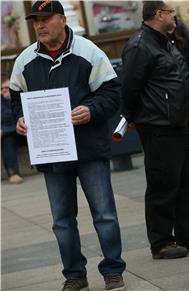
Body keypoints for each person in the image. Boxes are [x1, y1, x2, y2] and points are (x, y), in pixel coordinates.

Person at [10, 1, 126, 290]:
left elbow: (112, 93)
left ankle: (113, 271)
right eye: (35, 20)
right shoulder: (24, 60)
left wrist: (91, 110)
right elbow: (15, 99)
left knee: (105, 214)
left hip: (88, 149)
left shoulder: (88, 51)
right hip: (52, 153)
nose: (39, 25)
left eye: (45, 19)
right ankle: (75, 275)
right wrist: (20, 119)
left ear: (63, 20)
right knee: (62, 221)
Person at [120, 1, 189, 260]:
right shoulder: (139, 45)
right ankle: (162, 241)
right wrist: (130, 116)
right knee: (163, 185)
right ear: (158, 15)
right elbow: (130, 87)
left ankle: (188, 235)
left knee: (187, 181)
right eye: (170, 12)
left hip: (178, 123)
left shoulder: (164, 40)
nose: (175, 16)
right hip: (157, 125)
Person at [1, 77, 24, 184]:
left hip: (27, 132)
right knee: (7, 141)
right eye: (2, 89)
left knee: (5, 133)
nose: (4, 90)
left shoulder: (22, 98)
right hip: (13, 135)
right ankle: (13, 173)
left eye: (7, 87)